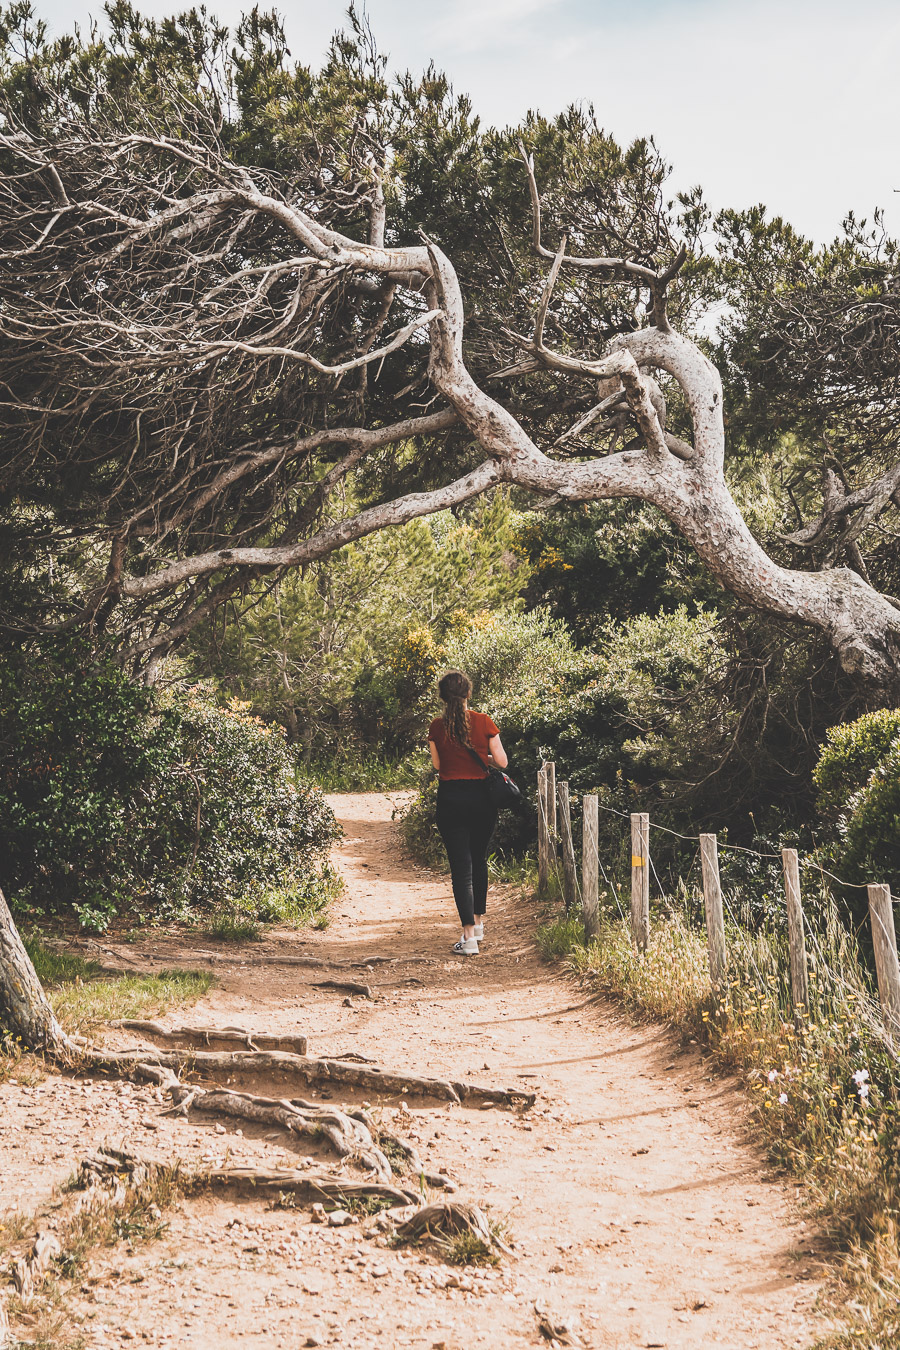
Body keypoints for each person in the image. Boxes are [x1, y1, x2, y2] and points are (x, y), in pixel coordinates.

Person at [427, 670, 508, 956]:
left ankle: (469, 938)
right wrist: (481, 754)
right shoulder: (484, 722)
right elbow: (502, 761)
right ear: (468, 694)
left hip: (451, 800)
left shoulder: (437, 727)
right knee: (479, 859)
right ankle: (479, 922)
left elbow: (438, 766)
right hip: (482, 800)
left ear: (442, 697)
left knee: (462, 869)